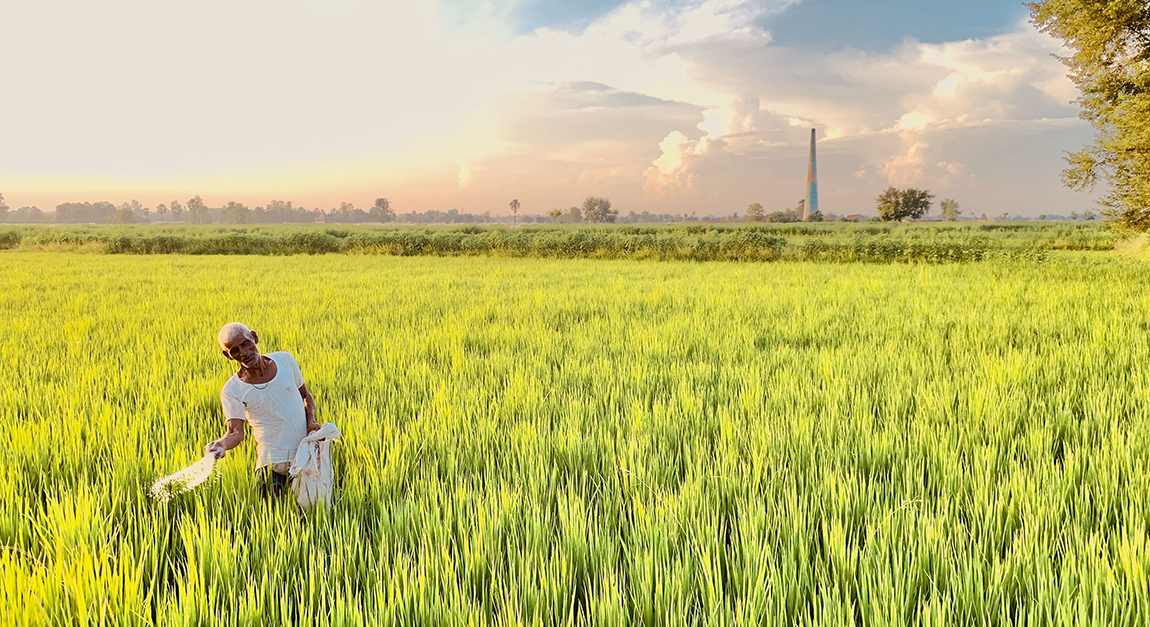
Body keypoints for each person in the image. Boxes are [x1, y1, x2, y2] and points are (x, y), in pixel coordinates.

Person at [206, 322, 319, 496]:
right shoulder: (232, 390)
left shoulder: (285, 360)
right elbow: (235, 433)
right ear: (227, 355)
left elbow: (305, 394)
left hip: (305, 456)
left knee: (310, 515)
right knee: (270, 517)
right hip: (271, 464)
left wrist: (311, 421)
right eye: (235, 351)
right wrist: (221, 444)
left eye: (245, 343)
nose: (244, 353)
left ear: (254, 337)